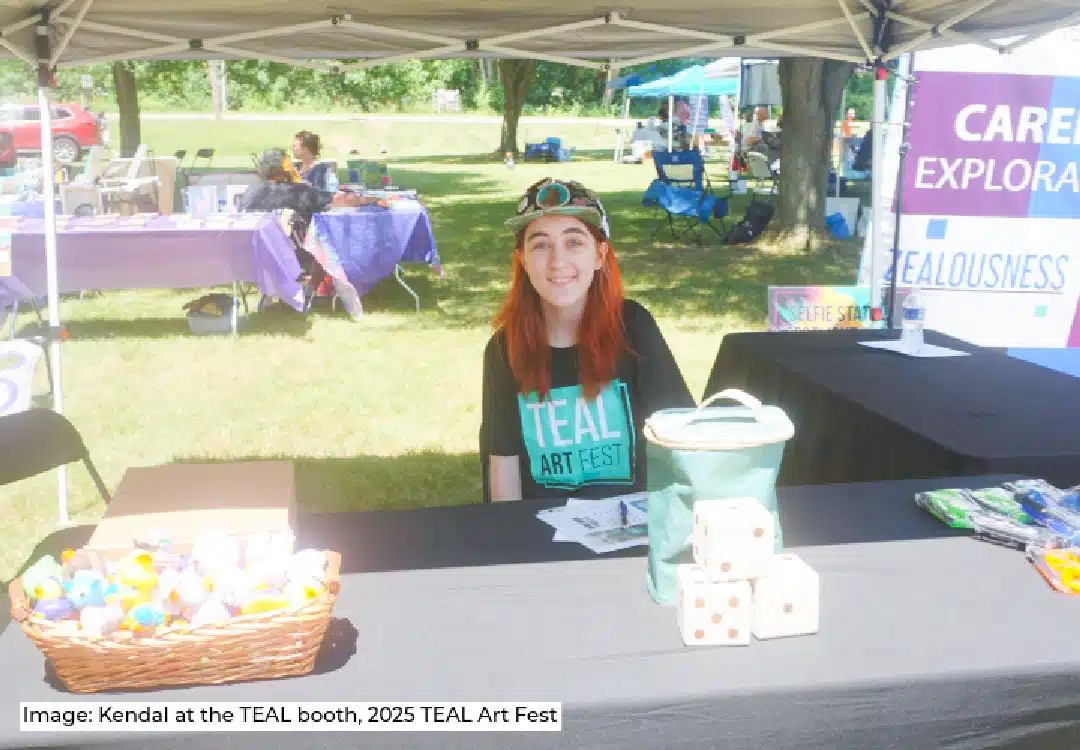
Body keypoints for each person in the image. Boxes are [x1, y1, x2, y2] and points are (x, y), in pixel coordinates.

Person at [481, 178, 696, 502]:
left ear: (599, 254)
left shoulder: (633, 327)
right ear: (523, 260)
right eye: (540, 244)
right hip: (543, 536)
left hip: (634, 530)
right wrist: (514, 543)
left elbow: (683, 440)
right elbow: (503, 469)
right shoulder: (503, 349)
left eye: (574, 242)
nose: (557, 262)